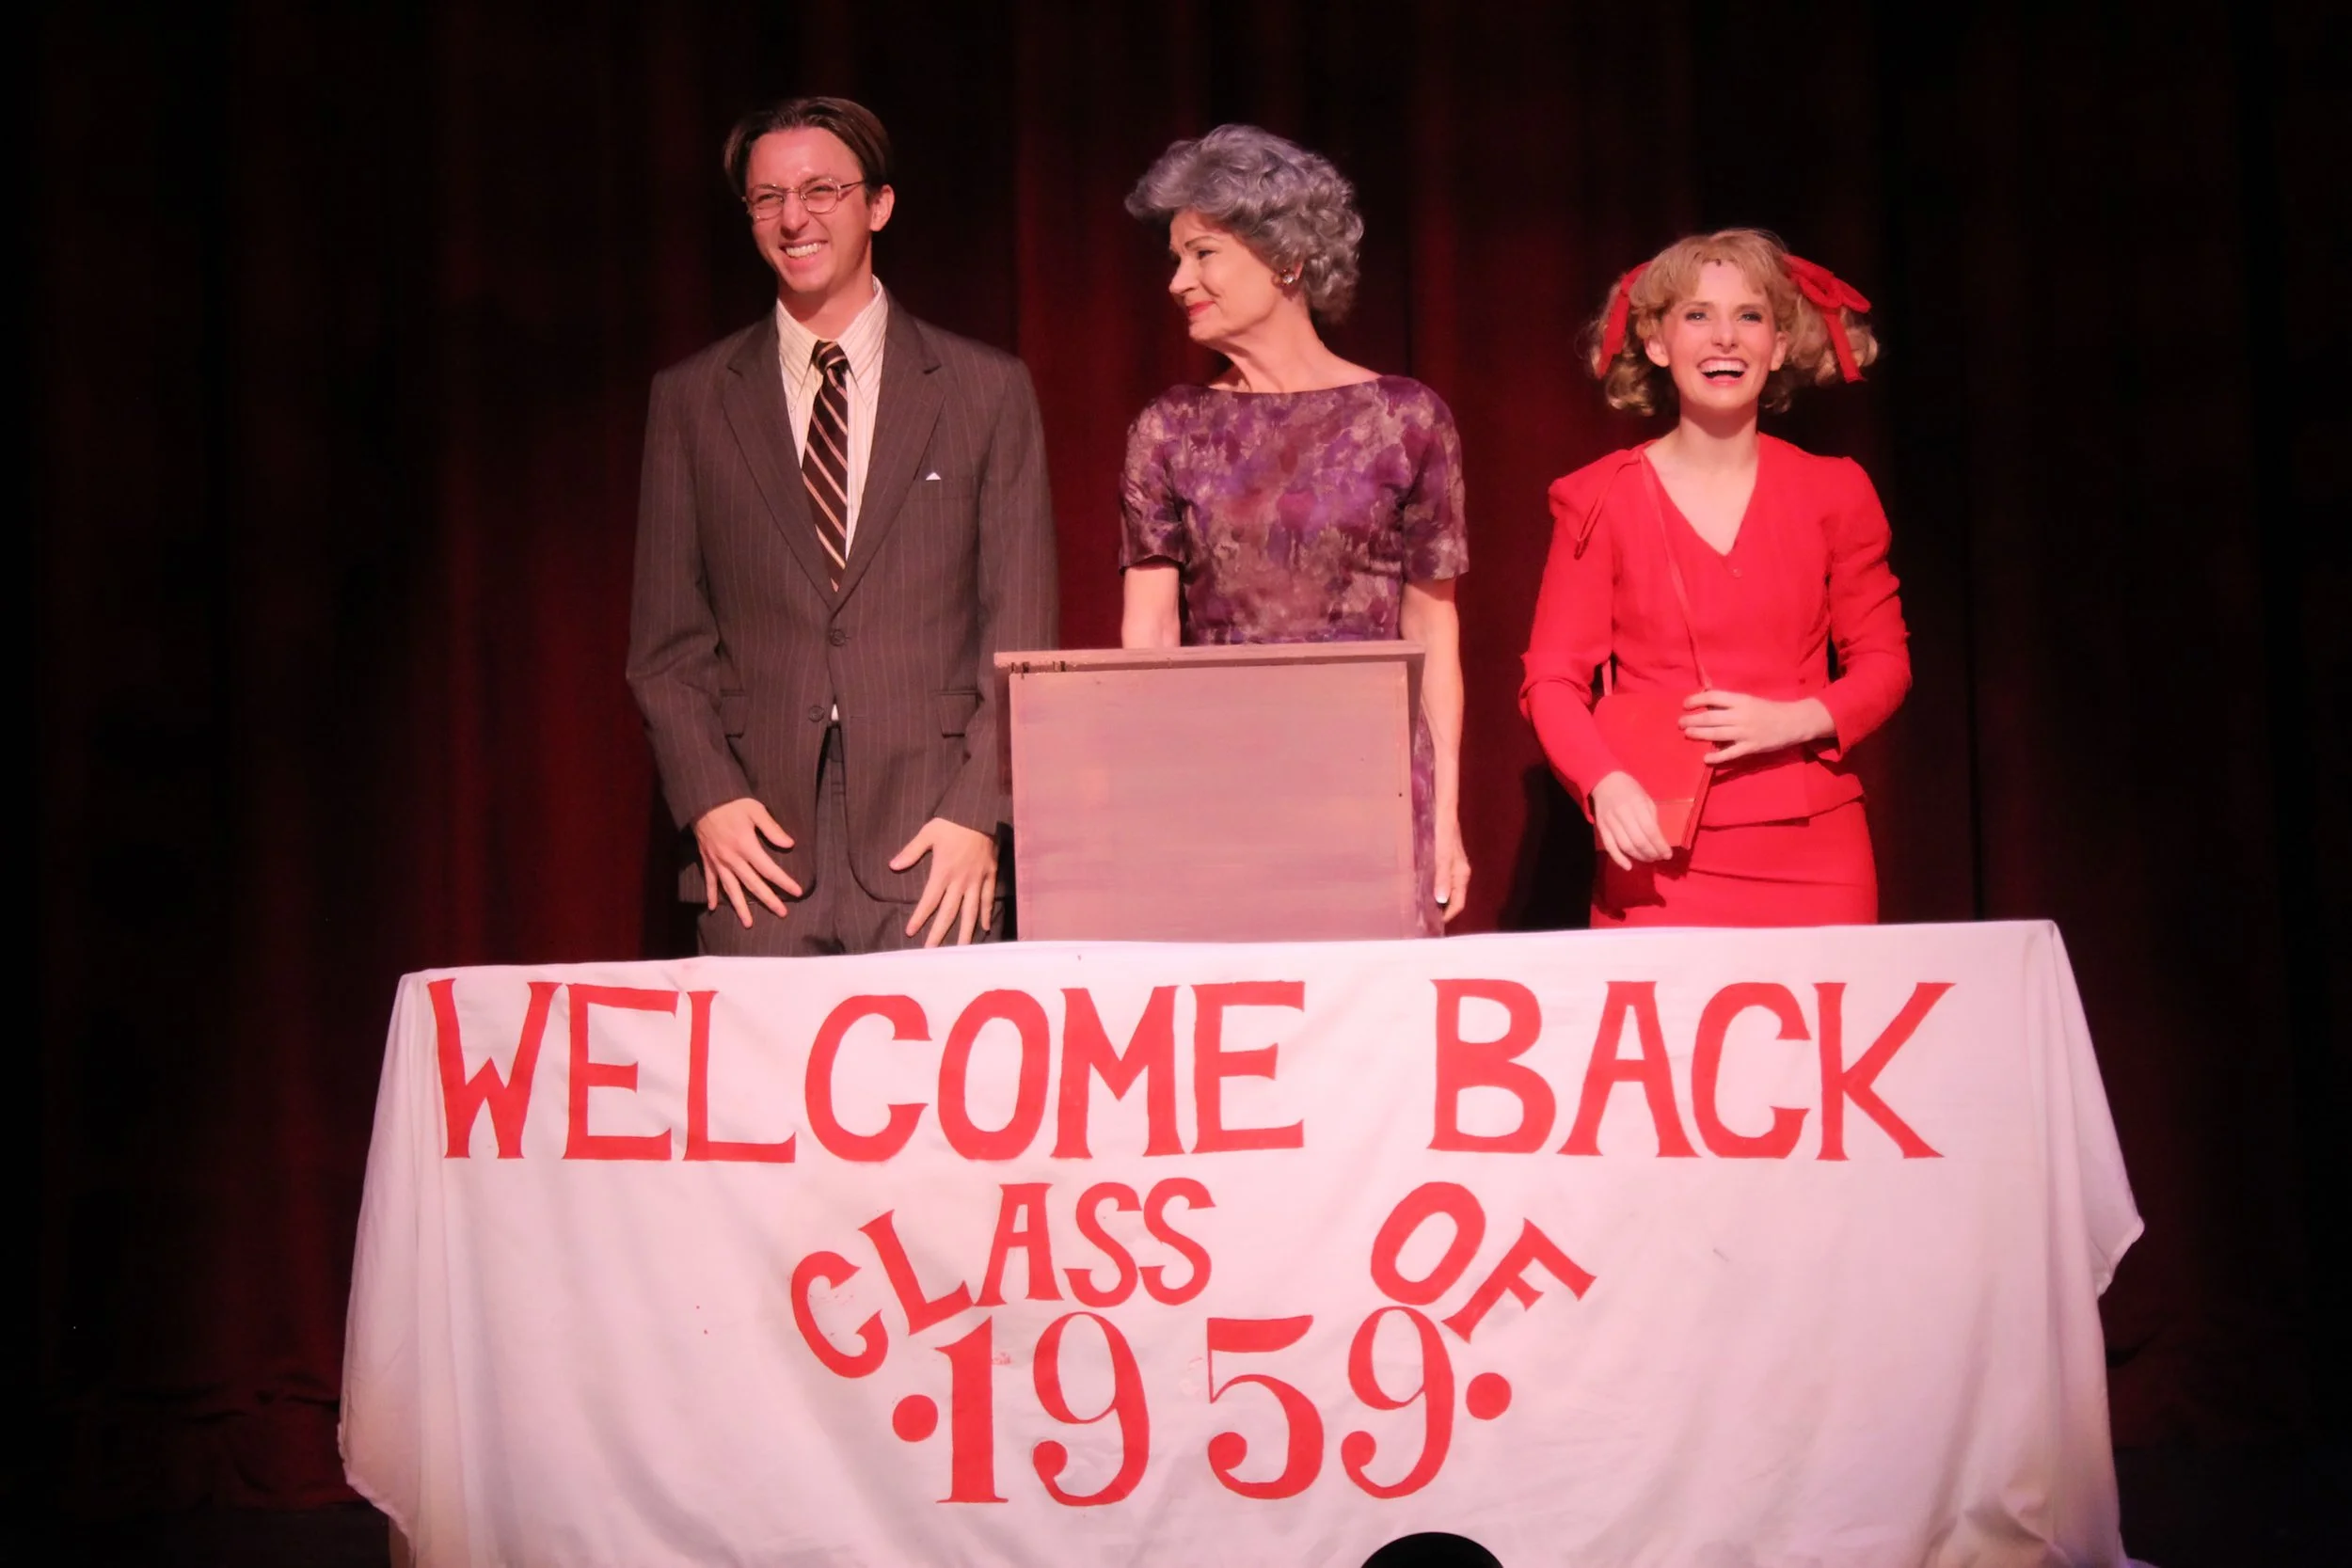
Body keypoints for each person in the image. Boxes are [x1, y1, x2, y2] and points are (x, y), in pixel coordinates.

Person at [627, 96, 1057, 955]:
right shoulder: (692, 401)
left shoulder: (984, 390)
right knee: (760, 1093)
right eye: (766, 199)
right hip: (756, 857)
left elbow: (1021, 632)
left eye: (821, 190)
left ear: (879, 205)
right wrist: (709, 799)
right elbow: (665, 647)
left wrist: (981, 813)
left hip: (936, 847)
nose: (794, 218)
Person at [1118, 124, 1470, 933]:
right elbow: (1149, 637)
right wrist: (1149, 815)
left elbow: (1433, 630)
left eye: (1202, 254)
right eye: (1175, 258)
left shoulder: (1406, 419)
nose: (1178, 281)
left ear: (1288, 256)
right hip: (1219, 792)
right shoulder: (1170, 428)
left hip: (1372, 790)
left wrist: (1444, 814)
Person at [1520, 229, 1910, 927]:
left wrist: (1796, 719)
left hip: (1815, 854)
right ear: (1658, 342)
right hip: (1660, 855)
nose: (1725, 337)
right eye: (1698, 315)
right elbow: (1551, 679)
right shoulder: (1599, 497)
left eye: (1750, 316)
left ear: (1781, 346)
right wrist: (1604, 783)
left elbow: (1884, 662)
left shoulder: (1837, 492)